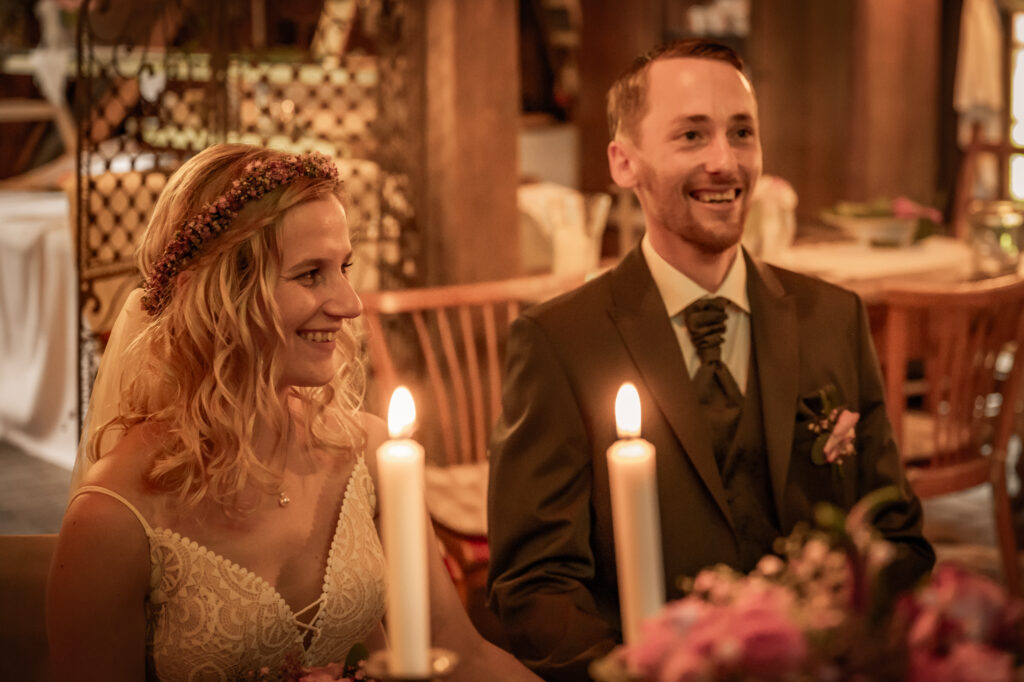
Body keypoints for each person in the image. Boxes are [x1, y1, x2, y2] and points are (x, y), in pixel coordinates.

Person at [486, 39, 935, 680]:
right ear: (624, 163)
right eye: (692, 135)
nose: (724, 162)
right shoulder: (559, 342)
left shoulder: (835, 317)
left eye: (741, 133)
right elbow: (535, 584)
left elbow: (897, 535)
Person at [47, 144, 540, 682]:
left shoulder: (368, 455)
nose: (351, 303)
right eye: (311, 274)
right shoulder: (113, 518)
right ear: (217, 298)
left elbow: (460, 653)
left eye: (344, 267)